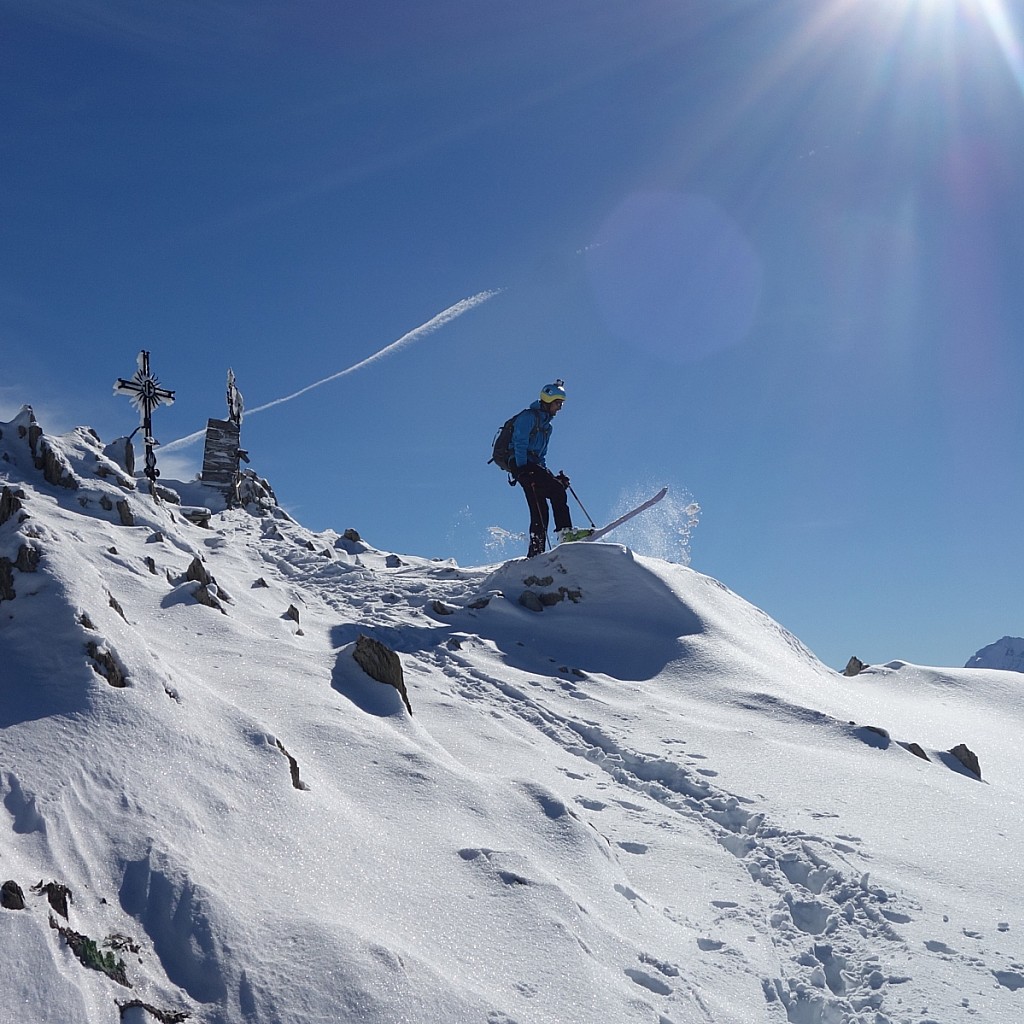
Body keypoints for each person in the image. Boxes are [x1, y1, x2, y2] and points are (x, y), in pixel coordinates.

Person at [510, 381, 591, 557]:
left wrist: (550, 475)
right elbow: (519, 442)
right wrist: (522, 469)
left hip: (532, 466)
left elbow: (541, 456)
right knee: (556, 490)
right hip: (521, 464)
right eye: (557, 403)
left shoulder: (548, 426)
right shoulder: (528, 417)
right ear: (547, 401)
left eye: (561, 403)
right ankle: (565, 533)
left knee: (541, 511)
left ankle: (535, 554)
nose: (560, 408)